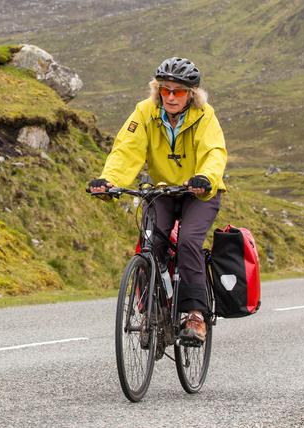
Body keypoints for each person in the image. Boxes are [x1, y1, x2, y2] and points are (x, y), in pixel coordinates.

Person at [88, 57, 227, 343]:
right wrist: (110, 181)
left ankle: (195, 315)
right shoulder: (145, 112)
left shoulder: (205, 115)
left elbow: (214, 151)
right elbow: (126, 150)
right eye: (165, 90)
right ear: (158, 91)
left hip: (199, 192)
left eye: (178, 91)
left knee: (188, 241)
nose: (171, 97)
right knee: (151, 242)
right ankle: (153, 311)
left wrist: (205, 178)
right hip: (162, 191)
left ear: (191, 93)